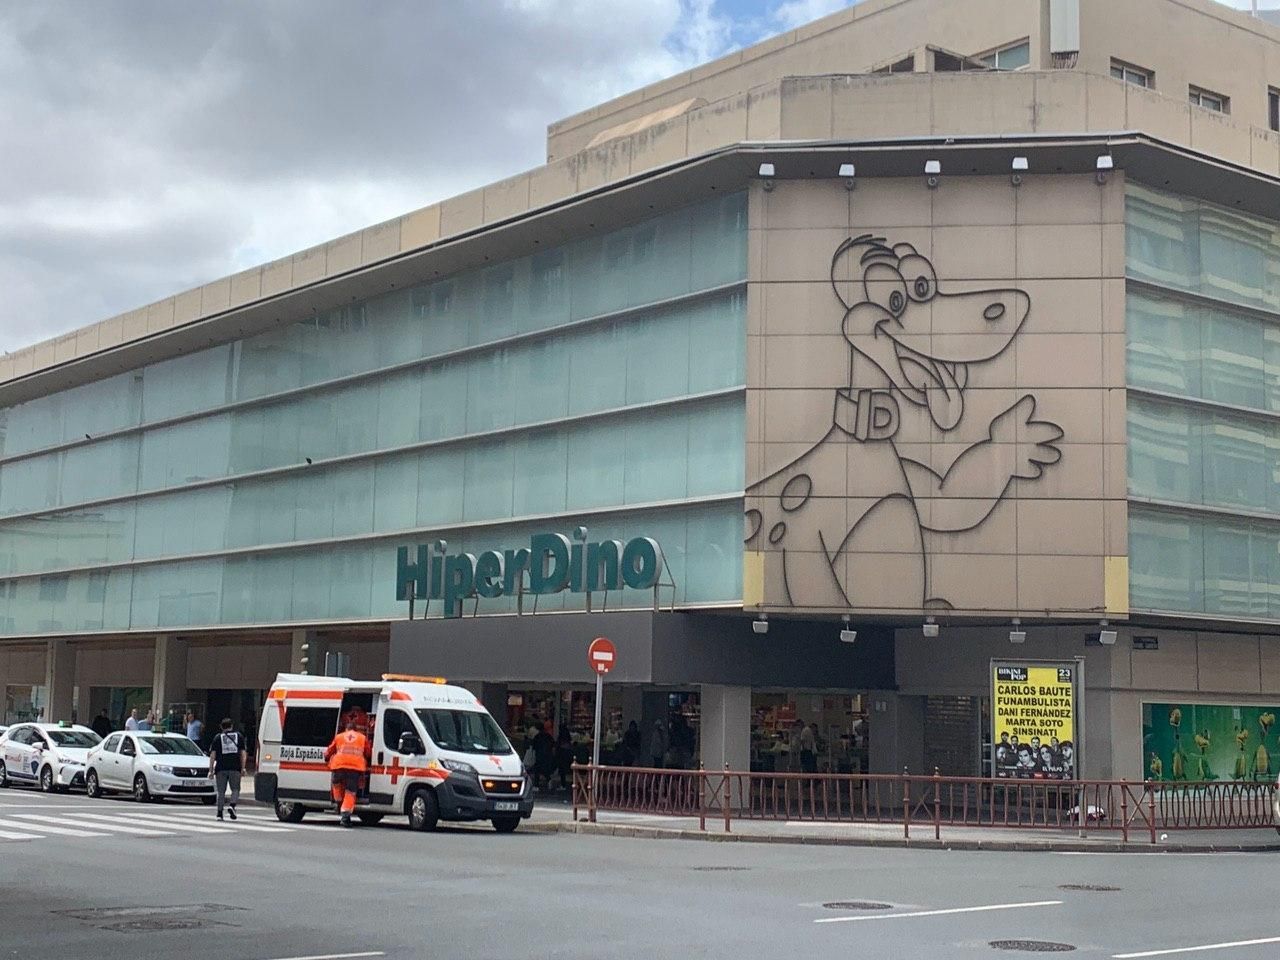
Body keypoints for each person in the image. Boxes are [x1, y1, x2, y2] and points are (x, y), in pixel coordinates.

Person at [324, 716, 369, 828]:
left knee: (337, 785)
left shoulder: (339, 736)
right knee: (350, 792)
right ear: (355, 729)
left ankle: (338, 803)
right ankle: (345, 816)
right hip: (355, 768)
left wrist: (326, 757)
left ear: (346, 729)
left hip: (338, 766)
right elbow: (368, 753)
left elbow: (330, 750)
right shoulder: (362, 737)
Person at [207, 717, 247, 821]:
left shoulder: (217, 738)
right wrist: (243, 768)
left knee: (221, 791)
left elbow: (213, 755)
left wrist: (211, 770)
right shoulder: (239, 736)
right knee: (236, 789)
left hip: (221, 768)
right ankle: (232, 805)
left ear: (221, 727)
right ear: (231, 726)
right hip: (235, 767)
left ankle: (219, 813)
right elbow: (243, 754)